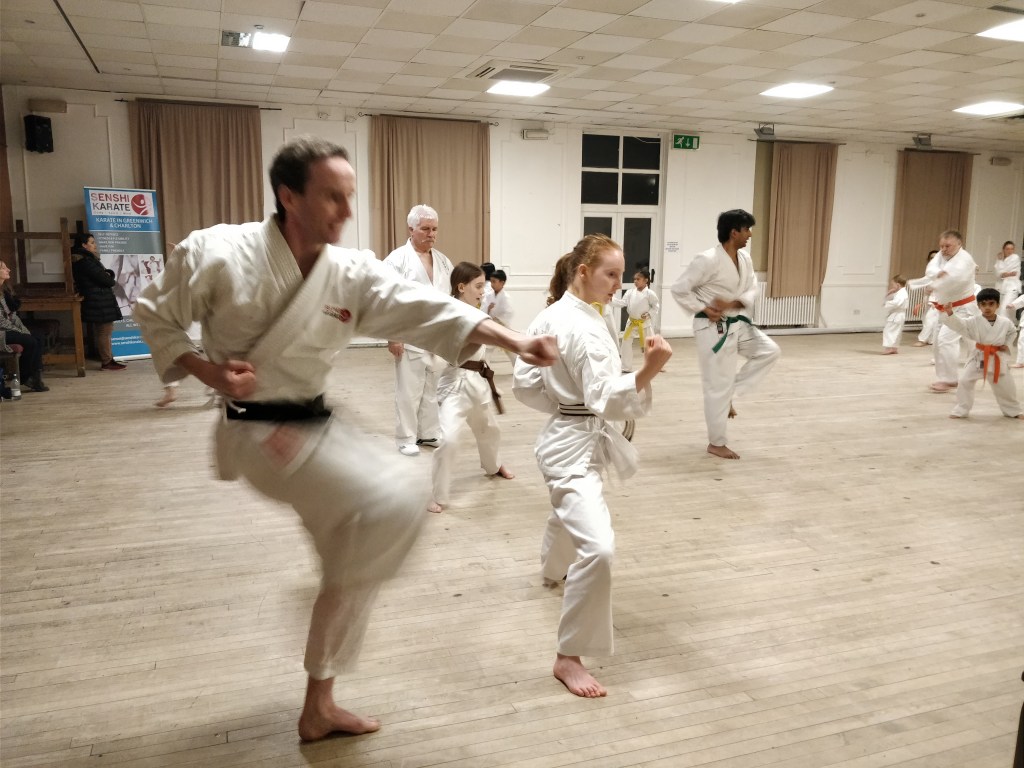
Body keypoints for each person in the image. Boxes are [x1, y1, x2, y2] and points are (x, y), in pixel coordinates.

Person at [134, 137, 557, 742]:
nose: (346, 211)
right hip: (258, 428)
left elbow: (430, 310)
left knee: (353, 566)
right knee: (398, 494)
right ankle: (329, 602)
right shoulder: (218, 251)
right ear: (289, 197)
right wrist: (210, 372)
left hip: (314, 422)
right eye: (332, 196)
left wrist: (514, 341)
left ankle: (320, 702)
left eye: (350, 196)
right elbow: (155, 314)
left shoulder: (349, 272)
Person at [513, 234, 672, 698]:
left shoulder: (557, 312)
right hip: (571, 445)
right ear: (583, 272)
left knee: (568, 509)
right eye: (611, 274)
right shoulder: (581, 325)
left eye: (621, 275)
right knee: (599, 548)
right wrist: (649, 369)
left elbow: (524, 383)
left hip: (567, 435)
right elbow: (605, 397)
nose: (619, 284)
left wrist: (563, 405)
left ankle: (551, 569)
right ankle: (569, 656)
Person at [670, 209, 781, 460]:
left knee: (769, 351)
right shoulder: (707, 259)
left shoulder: (745, 259)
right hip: (713, 328)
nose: (750, 234)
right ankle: (716, 443)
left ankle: (732, 392)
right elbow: (679, 289)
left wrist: (735, 303)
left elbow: (752, 286)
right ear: (734, 232)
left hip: (737, 323)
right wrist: (703, 308)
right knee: (716, 386)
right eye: (747, 229)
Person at [428, 262, 514, 514]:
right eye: (478, 286)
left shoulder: (479, 313)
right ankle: (438, 495)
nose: (483, 291)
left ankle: (493, 466)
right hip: (454, 385)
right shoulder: (447, 314)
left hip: (477, 383)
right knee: (449, 440)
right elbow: (436, 351)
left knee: (489, 430)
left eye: (483, 286)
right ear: (461, 287)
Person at [383, 204, 453, 456]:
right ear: (411, 229)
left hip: (437, 335)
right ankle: (406, 437)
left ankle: (429, 433)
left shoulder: (443, 261)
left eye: (434, 229)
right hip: (409, 334)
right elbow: (387, 300)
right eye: (425, 229)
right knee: (408, 390)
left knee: (432, 387)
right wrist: (393, 336)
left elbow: (450, 299)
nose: (431, 234)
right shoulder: (397, 260)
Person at [908, 230, 979, 393]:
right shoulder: (942, 254)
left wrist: (934, 284)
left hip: (963, 308)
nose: (944, 249)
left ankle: (950, 379)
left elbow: (954, 279)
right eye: (941, 246)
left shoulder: (965, 260)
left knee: (947, 340)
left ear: (959, 244)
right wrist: (937, 275)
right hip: (945, 307)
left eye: (948, 246)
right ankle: (945, 377)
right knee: (938, 342)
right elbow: (931, 269)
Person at [939, 288, 1022, 419]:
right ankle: (961, 409)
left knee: (1006, 386)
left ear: (998, 305)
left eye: (991, 303)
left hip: (997, 358)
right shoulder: (973, 321)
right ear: (978, 306)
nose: (987, 307)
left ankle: (1013, 410)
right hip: (979, 357)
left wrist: (1006, 343)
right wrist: (949, 312)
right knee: (965, 381)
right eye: (983, 304)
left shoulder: (1005, 322)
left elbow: (1012, 332)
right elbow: (959, 324)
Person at [71, 233, 126, 371]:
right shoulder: (85, 261)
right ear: (84, 245)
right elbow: (107, 280)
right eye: (92, 242)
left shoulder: (86, 260)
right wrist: (108, 276)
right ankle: (107, 362)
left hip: (99, 299)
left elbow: (105, 277)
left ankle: (109, 359)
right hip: (98, 300)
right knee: (104, 331)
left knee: (105, 331)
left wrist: (108, 275)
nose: (95, 245)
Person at [0, 260, 48, 392]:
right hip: (1, 332)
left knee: (38, 336)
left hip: (8, 329)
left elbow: (13, 317)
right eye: (3, 268)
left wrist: (23, 330)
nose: (8, 270)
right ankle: (26, 377)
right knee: (30, 341)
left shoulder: (5, 291)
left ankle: (36, 376)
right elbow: (1, 322)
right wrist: (20, 332)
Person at [614, 267, 660, 372]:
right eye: (634, 279)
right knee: (625, 343)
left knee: (650, 344)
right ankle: (626, 366)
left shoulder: (650, 294)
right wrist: (609, 299)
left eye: (638, 279)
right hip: (631, 322)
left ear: (646, 280)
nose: (635, 281)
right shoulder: (630, 292)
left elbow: (655, 306)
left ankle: (654, 365)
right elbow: (622, 303)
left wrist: (649, 314)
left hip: (644, 323)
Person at [485, 268, 517, 366]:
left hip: (503, 326)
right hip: (492, 326)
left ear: (502, 283)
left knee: (511, 352)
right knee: (487, 350)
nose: (492, 284)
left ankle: (518, 368)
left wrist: (497, 318)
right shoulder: (488, 295)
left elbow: (509, 312)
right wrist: (489, 309)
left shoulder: (506, 297)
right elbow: (484, 309)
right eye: (491, 281)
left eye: (494, 281)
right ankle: (484, 370)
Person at [913, 249, 941, 347]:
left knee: (929, 319)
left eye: (935, 257)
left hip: (936, 300)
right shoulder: (930, 270)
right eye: (931, 258)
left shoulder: (941, 270)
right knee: (927, 319)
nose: (933, 260)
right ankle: (931, 339)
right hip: (929, 298)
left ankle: (922, 340)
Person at [881, 274, 909, 354]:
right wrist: (889, 293)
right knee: (896, 332)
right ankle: (894, 348)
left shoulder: (901, 293)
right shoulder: (901, 292)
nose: (892, 286)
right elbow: (891, 298)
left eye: (893, 284)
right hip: (899, 315)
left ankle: (889, 348)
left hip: (896, 315)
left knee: (889, 331)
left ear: (898, 285)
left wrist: (886, 304)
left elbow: (896, 303)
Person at [995, 241, 1021, 322]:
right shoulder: (1000, 259)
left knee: (1005, 309)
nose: (1010, 251)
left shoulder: (1015, 257)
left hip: (1012, 287)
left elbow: (1013, 273)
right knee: (999, 310)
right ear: (1003, 249)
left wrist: (1003, 273)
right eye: (1007, 249)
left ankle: (1005, 327)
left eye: (1012, 249)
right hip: (1001, 287)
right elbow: (997, 273)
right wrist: (1004, 273)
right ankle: (1008, 327)